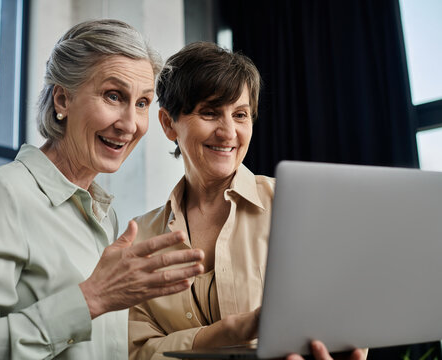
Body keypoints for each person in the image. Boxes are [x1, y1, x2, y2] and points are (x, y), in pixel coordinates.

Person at [0, 19, 204, 360]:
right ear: (62, 99)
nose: (130, 124)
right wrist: (91, 299)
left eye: (143, 103)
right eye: (113, 96)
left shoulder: (105, 216)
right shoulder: (1, 194)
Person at [128, 42, 367, 360]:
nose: (228, 132)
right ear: (169, 123)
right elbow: (136, 352)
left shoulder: (297, 206)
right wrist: (228, 332)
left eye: (240, 115)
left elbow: (349, 316)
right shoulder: (141, 238)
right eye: (210, 113)